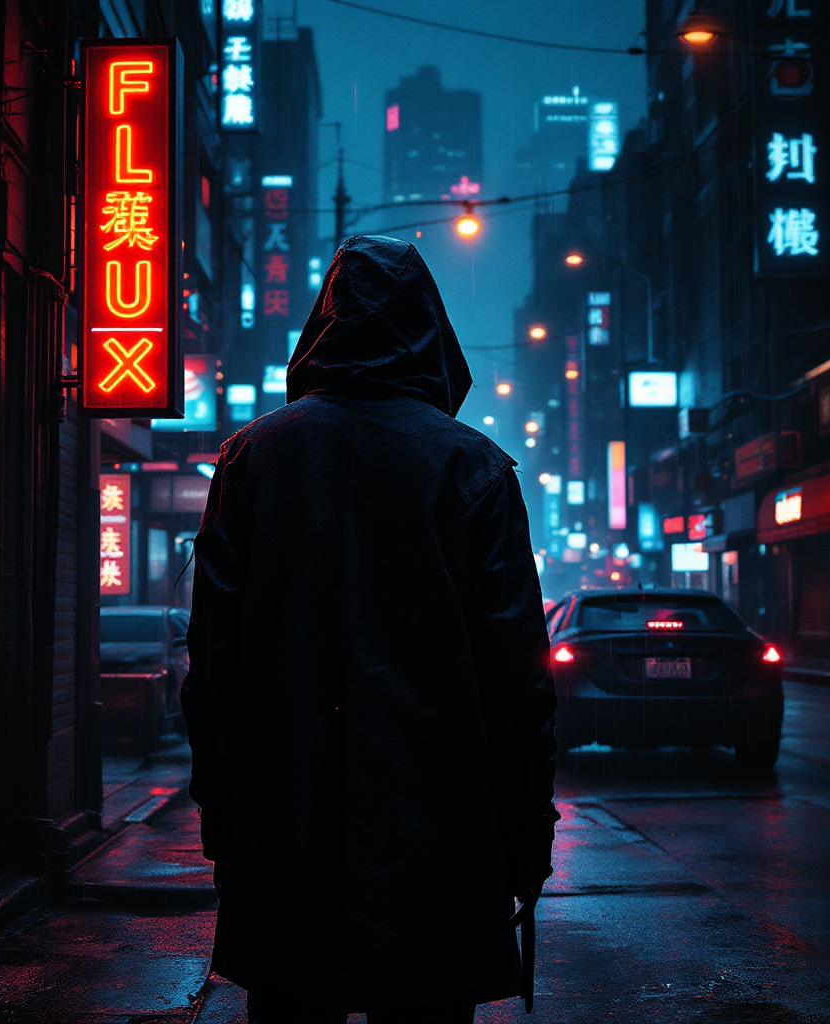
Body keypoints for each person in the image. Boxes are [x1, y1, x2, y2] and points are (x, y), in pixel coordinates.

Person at [181, 235, 558, 1024]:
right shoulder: (472, 468)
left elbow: (214, 659)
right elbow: (516, 675)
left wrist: (223, 810)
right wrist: (526, 834)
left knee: (291, 1007)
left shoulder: (252, 459)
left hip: (285, 818)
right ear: (431, 329)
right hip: (437, 826)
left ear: (322, 325)